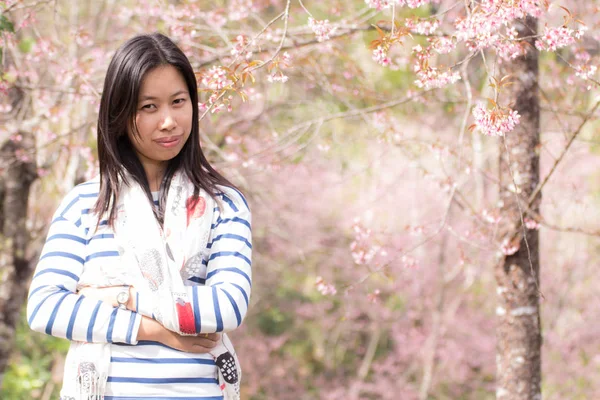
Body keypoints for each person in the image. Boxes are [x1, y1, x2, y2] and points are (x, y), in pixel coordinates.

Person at [26, 32, 252, 400]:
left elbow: (226, 307)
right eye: (149, 107)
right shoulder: (87, 204)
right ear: (119, 114)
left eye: (178, 102)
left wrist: (119, 297)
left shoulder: (223, 204)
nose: (168, 121)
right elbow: (45, 308)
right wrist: (152, 330)